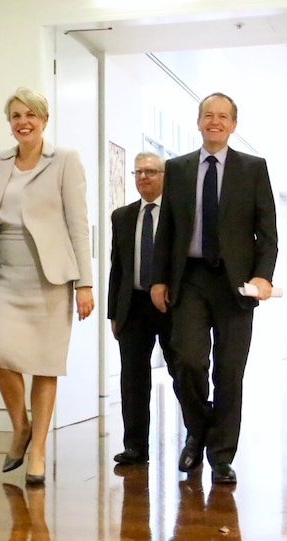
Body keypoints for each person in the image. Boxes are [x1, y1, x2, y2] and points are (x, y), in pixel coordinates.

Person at [0, 87, 94, 486]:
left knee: (45, 366)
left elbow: (77, 226)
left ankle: (37, 449)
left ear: (44, 120)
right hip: (5, 274)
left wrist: (84, 283)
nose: (23, 122)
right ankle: (20, 428)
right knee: (2, 355)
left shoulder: (65, 161)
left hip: (50, 277)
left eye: (31, 115)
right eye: (16, 115)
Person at [150, 92, 278, 484]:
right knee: (187, 361)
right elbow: (166, 229)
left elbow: (267, 231)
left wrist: (263, 276)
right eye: (209, 115)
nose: (215, 122)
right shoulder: (179, 168)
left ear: (234, 124)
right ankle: (197, 429)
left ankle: (221, 455)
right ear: (199, 121)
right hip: (189, 278)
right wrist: (158, 278)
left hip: (236, 283)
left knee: (229, 370)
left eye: (223, 116)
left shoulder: (253, 168)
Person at [108, 152, 177, 465]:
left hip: (171, 305)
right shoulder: (122, 216)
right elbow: (117, 268)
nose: (143, 177)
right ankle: (135, 446)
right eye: (138, 172)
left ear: (164, 176)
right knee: (133, 379)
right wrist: (114, 313)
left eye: (150, 171)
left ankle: (195, 440)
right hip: (133, 306)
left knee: (184, 372)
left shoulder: (178, 213)